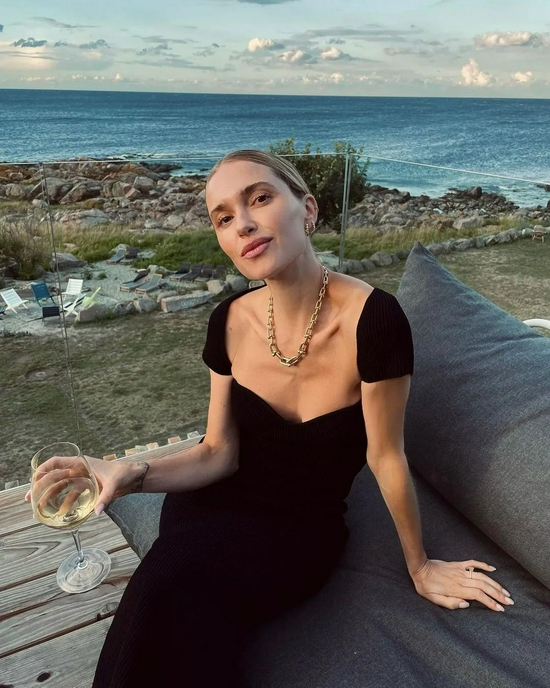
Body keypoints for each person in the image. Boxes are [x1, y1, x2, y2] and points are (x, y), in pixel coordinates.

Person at [41, 151, 514, 687]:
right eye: (223, 217)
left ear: (308, 210)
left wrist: (420, 565)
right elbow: (217, 453)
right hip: (204, 508)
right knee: (181, 605)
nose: (242, 224)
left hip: (298, 532)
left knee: (171, 584)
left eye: (260, 198)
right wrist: (133, 474)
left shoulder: (374, 320)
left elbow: (386, 457)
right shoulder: (228, 320)